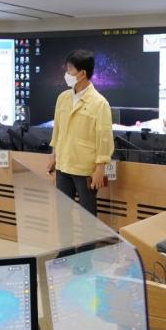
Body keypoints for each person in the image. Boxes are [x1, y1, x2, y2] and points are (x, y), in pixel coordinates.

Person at [47, 49, 113, 216]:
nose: (66, 73)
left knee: (87, 217)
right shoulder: (62, 98)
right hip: (63, 165)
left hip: (85, 169)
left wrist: (100, 169)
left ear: (82, 73)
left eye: (70, 69)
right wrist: (53, 155)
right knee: (62, 214)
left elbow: (104, 139)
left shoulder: (100, 103)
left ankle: (89, 238)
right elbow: (57, 130)